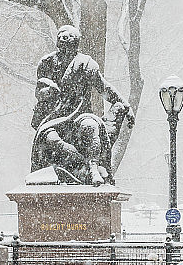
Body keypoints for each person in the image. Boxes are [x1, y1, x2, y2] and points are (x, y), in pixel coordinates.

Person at [31, 26, 135, 184]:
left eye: (69, 38)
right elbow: (39, 92)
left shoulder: (86, 63)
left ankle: (93, 168)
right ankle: (83, 165)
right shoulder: (47, 63)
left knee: (90, 126)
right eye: (62, 38)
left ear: (76, 42)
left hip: (79, 115)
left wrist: (125, 106)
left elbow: (104, 88)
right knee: (50, 140)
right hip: (54, 118)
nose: (65, 40)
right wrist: (47, 92)